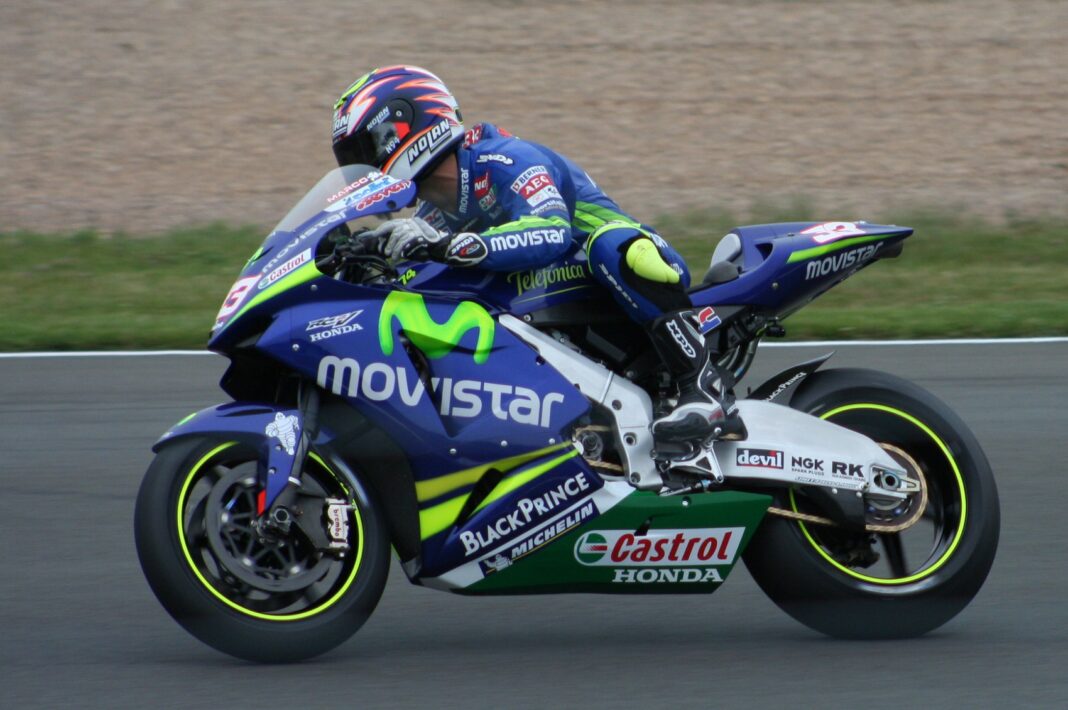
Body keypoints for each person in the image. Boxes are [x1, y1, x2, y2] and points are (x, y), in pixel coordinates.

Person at [331, 65, 744, 444]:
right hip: (558, 300)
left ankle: (702, 389)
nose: (361, 169)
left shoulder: (504, 159)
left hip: (624, 269)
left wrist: (447, 246)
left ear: (405, 129)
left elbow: (548, 233)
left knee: (613, 245)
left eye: (364, 152)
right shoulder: (435, 211)